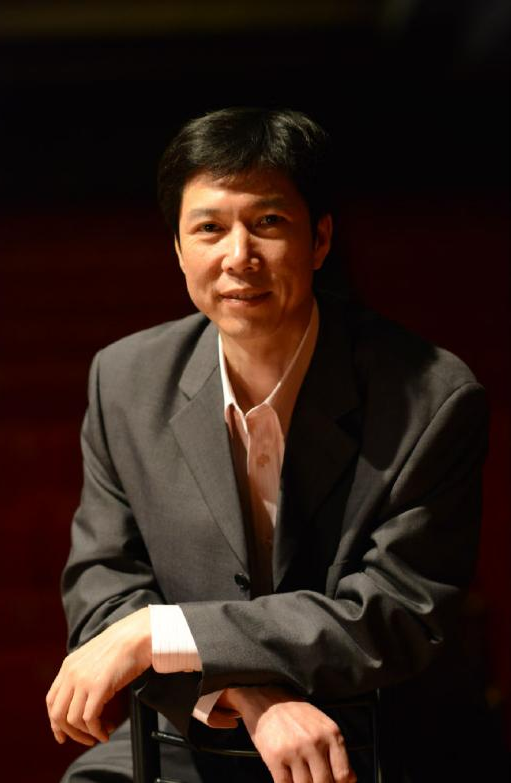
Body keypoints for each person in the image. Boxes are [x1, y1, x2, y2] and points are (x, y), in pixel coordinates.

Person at [47, 107, 489, 783]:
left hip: (373, 730)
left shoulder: (432, 396)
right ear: (178, 249)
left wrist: (159, 632)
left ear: (320, 239)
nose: (238, 257)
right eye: (209, 229)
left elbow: (396, 611)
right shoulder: (125, 379)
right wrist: (248, 693)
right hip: (192, 725)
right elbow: (103, 592)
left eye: (268, 222)